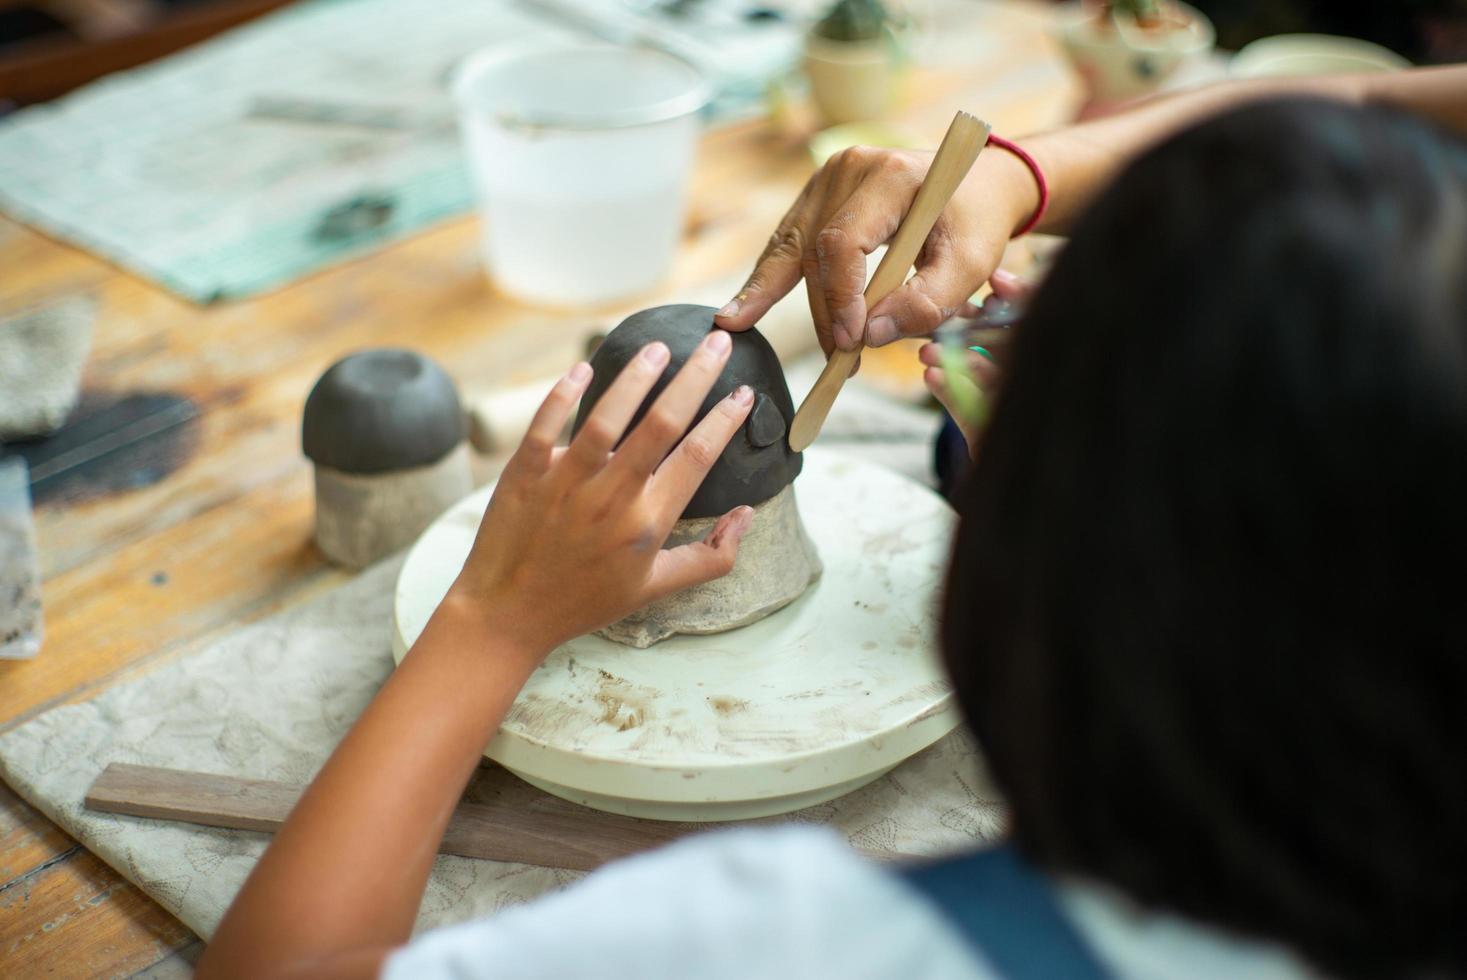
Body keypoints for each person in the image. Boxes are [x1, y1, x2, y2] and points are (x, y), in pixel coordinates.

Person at [196, 79, 1467, 979]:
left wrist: (488, 618)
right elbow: (1370, 120)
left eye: (1018, 399)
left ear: (1040, 569)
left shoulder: (787, 942)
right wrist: (1023, 180)